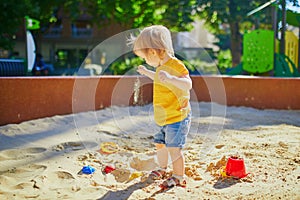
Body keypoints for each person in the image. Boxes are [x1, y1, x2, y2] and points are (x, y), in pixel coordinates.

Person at [129, 25, 192, 189]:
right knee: (160, 144)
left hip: (177, 117)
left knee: (174, 148)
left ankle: (178, 176)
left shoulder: (176, 65)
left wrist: (172, 78)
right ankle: (162, 168)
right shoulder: (160, 68)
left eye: (145, 57)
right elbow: (158, 77)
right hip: (162, 117)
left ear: (153, 52)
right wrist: (146, 72)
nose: (145, 60)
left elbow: (188, 84)